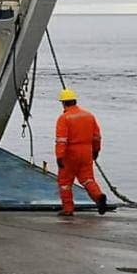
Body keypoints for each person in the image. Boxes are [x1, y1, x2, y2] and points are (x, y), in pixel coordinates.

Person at [55, 88, 109, 216]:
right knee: (87, 179)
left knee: (65, 182)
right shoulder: (88, 116)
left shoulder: (64, 118)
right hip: (86, 152)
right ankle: (98, 197)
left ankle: (68, 209)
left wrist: (59, 156)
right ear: (75, 101)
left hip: (70, 153)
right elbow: (97, 136)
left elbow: (61, 140)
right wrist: (96, 150)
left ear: (63, 103)